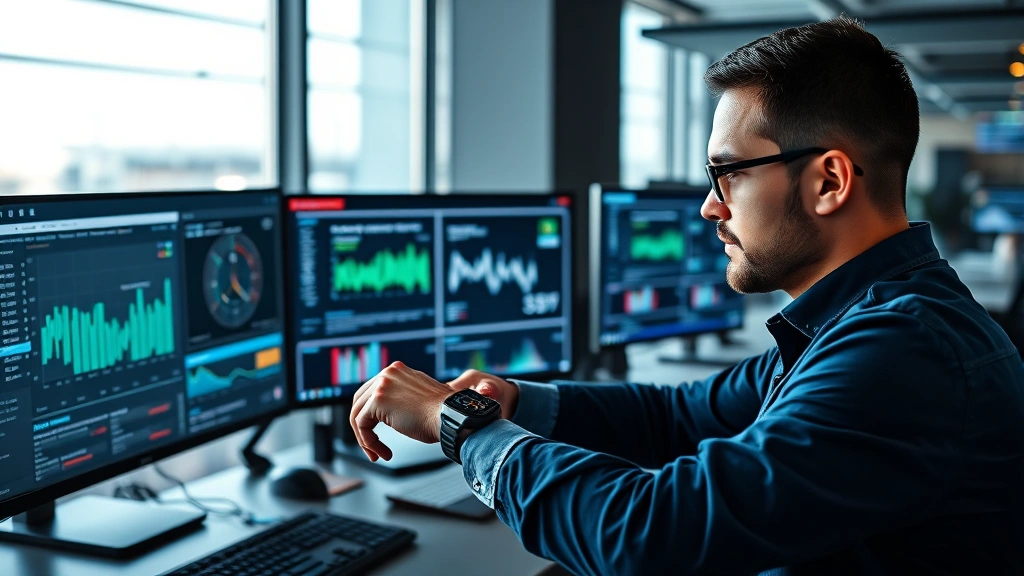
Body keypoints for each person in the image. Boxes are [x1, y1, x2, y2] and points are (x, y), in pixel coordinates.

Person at [349, 16, 1024, 575]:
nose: (708, 207)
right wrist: (517, 400)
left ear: (829, 181)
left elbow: (649, 536)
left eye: (727, 174)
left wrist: (462, 425)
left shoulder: (904, 350)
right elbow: (678, 416)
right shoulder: (856, 323)